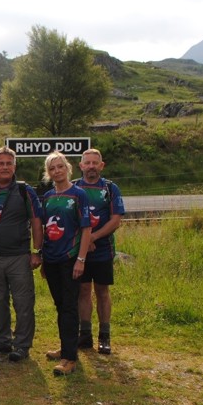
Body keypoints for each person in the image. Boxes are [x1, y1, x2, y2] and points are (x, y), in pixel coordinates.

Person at [0, 147, 43, 362]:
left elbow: (36, 221)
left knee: (23, 303)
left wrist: (36, 251)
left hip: (18, 256)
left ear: (14, 166)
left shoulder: (25, 191)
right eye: (0, 163)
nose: (4, 167)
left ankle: (22, 345)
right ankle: (2, 340)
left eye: (8, 163)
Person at [40, 151, 92, 376]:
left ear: (68, 168)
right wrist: (42, 258)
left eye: (60, 166)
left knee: (70, 306)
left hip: (70, 259)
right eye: (52, 168)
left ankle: (70, 358)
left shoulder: (79, 195)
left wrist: (80, 259)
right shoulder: (48, 196)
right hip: (51, 259)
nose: (57, 171)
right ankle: (66, 347)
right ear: (48, 173)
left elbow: (86, 228)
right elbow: (44, 229)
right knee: (60, 306)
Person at [74, 148, 125, 355]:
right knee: (83, 291)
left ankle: (105, 336)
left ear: (101, 166)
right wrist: (84, 241)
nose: (91, 166)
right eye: (88, 163)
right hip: (79, 251)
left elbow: (116, 220)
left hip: (103, 249)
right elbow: (69, 219)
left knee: (102, 292)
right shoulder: (74, 188)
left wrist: (93, 237)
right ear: (81, 166)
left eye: (95, 162)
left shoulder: (111, 188)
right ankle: (84, 335)